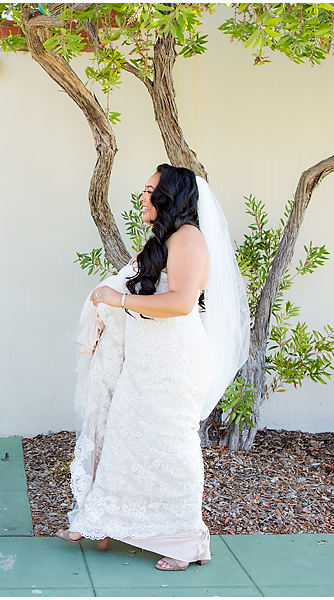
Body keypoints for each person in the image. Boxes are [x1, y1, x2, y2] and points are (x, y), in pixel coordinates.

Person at [58, 164, 250, 571]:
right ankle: (105, 521)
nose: (142, 197)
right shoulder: (162, 240)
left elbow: (180, 303)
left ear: (170, 196)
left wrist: (117, 301)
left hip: (175, 362)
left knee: (171, 446)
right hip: (146, 360)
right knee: (126, 437)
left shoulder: (189, 239)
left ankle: (186, 540)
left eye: (149, 190)